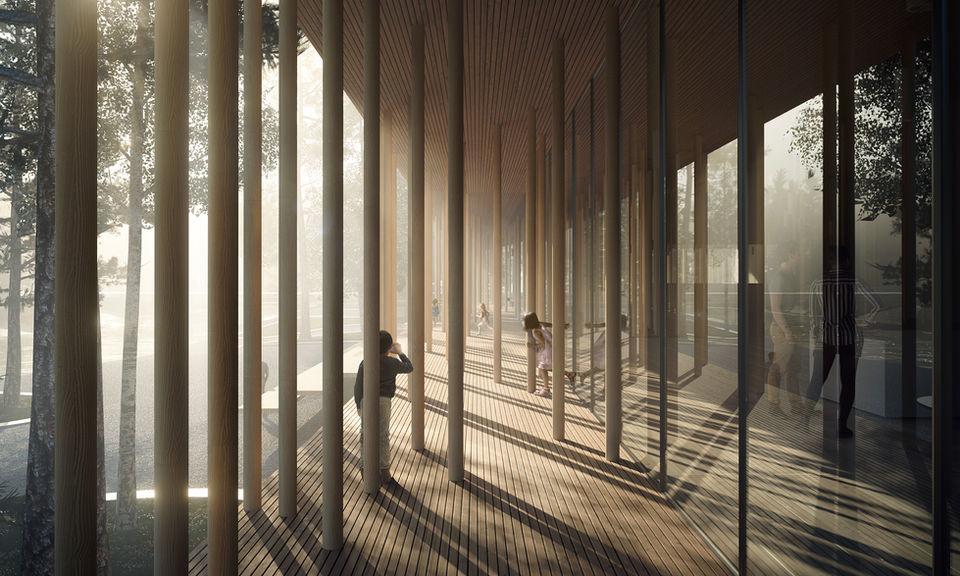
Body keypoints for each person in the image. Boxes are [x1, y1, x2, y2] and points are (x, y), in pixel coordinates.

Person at [805, 247, 880, 439]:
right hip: (850, 337)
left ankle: (804, 419)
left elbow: (814, 317)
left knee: (817, 379)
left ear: (830, 262)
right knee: (848, 383)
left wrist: (815, 338)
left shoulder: (817, 282)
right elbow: (877, 305)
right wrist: (865, 321)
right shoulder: (854, 281)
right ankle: (842, 425)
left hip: (826, 338)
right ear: (847, 261)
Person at [354, 330, 414, 484]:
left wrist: (358, 404)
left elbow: (358, 385)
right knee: (383, 435)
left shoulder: (366, 362)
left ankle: (365, 467)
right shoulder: (393, 363)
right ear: (389, 348)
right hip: (384, 401)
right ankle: (384, 470)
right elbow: (409, 367)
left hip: (366, 400)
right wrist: (400, 353)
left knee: (365, 434)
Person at [766, 246, 807, 416]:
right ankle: (773, 405)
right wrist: (787, 331)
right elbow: (775, 309)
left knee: (794, 368)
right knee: (779, 368)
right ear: (791, 254)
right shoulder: (779, 278)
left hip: (794, 328)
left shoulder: (792, 276)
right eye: (801, 253)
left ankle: (796, 405)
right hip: (782, 329)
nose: (804, 256)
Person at [522, 312, 575, 397]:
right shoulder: (540, 324)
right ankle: (569, 374)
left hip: (547, 351)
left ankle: (546, 389)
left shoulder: (535, 331)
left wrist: (532, 345)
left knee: (543, 368)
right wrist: (562, 326)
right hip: (551, 348)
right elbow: (551, 325)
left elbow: (543, 344)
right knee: (550, 368)